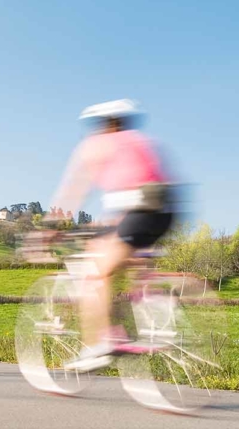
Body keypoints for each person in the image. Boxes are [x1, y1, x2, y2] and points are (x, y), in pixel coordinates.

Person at [45, 99, 173, 371]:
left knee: (95, 272)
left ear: (104, 124)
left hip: (138, 210)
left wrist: (50, 227)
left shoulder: (96, 145)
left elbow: (75, 189)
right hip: (165, 209)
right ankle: (153, 314)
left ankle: (101, 342)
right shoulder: (142, 141)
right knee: (124, 256)